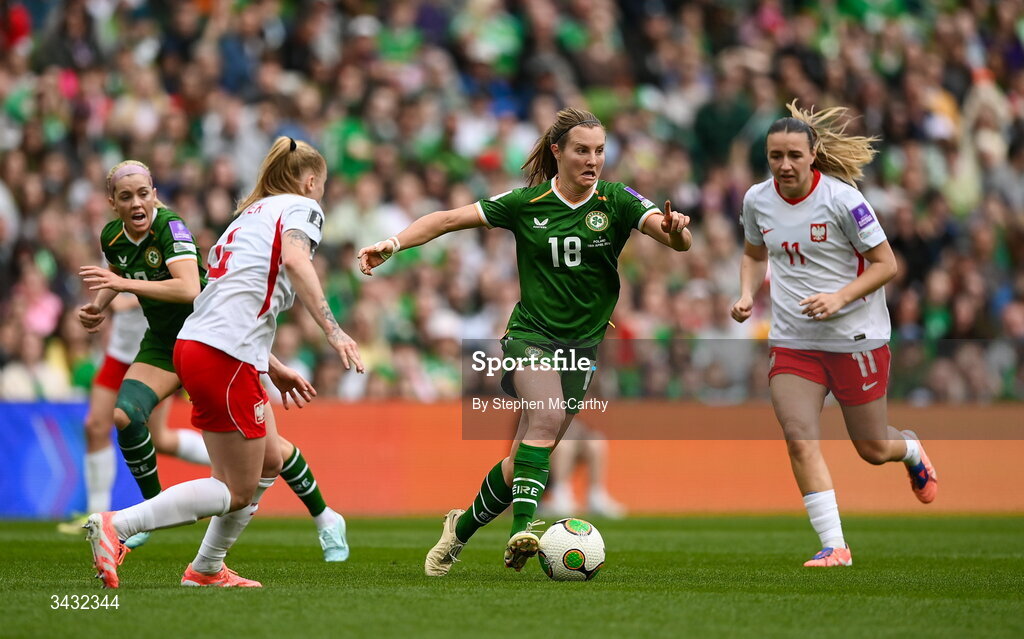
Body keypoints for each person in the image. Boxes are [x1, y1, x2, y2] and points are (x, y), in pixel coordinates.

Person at [358, 108, 692, 576]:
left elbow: (672, 236)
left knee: (522, 463)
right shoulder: (525, 203)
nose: (592, 159)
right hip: (530, 335)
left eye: (599, 150)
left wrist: (678, 235)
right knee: (548, 414)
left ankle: (459, 531)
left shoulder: (617, 201)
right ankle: (525, 529)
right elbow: (448, 219)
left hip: (582, 347)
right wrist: (392, 245)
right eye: (581, 150)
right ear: (557, 151)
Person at [84, 137, 363, 588]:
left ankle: (207, 568)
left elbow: (221, 301)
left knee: (270, 458)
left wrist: (269, 364)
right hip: (224, 355)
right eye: (323, 185)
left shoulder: (249, 215)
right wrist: (333, 329)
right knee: (235, 489)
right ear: (312, 181)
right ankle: (120, 525)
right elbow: (294, 259)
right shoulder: (301, 209)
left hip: (200, 345)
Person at [730, 101, 938, 567]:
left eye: (793, 156)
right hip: (793, 341)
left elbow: (888, 264)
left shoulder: (843, 200)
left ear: (813, 154)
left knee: (871, 448)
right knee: (799, 435)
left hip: (855, 339)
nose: (783, 165)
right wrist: (746, 294)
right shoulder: (756, 199)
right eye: (775, 156)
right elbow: (753, 253)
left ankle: (909, 449)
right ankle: (835, 546)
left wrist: (840, 298)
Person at [56, 296, 209, 539]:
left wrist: (129, 295)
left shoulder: (168, 256)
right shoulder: (113, 256)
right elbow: (114, 278)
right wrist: (97, 303)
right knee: (95, 426)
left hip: (156, 355)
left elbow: (186, 286)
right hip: (120, 351)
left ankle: (229, 464)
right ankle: (96, 517)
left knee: (160, 440)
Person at [539, 420, 627, 519]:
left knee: (595, 441)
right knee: (564, 445)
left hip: (565, 439)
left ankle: (596, 497)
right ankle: (560, 496)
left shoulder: (569, 412)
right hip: (539, 458)